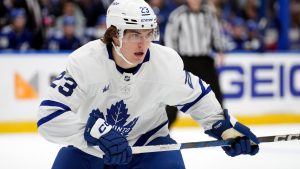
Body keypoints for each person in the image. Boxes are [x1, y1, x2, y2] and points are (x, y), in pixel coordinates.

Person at [37, 0, 259, 169]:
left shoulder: (166, 63)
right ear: (114, 35)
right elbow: (48, 117)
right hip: (91, 150)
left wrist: (225, 128)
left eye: (148, 33)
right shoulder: (85, 62)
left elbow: (198, 99)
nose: (144, 44)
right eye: (135, 35)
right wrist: (98, 132)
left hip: (150, 148)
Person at [164, 0, 227, 128]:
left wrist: (220, 50)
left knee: (216, 95)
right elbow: (170, 37)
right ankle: (163, 130)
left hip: (204, 60)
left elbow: (216, 32)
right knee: (173, 96)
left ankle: (224, 127)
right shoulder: (178, 14)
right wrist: (173, 58)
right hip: (184, 60)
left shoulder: (209, 13)